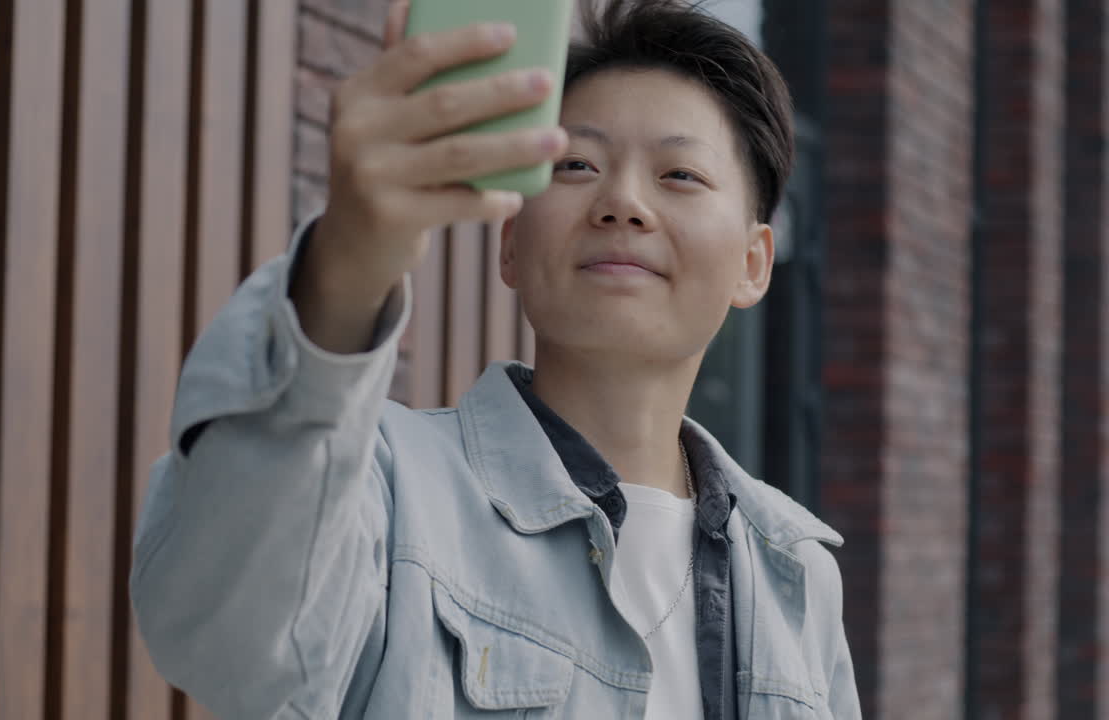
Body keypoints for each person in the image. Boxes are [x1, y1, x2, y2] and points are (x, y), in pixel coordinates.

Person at [130, 0, 860, 717]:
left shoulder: (795, 573)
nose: (622, 202)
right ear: (511, 242)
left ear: (754, 264)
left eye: (679, 176)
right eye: (576, 163)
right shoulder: (382, 490)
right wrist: (350, 260)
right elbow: (231, 645)